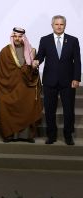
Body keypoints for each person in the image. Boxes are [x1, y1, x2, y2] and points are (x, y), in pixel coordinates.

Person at [34, 15, 80, 145]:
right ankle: (51, 136)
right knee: (49, 110)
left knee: (69, 110)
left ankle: (68, 135)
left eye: (61, 24)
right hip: (50, 81)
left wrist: (76, 78)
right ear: (52, 25)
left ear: (65, 25)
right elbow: (40, 56)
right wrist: (36, 61)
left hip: (68, 81)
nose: (59, 27)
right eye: (56, 24)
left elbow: (77, 61)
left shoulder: (73, 40)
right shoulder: (45, 40)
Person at [0, 28, 43, 143]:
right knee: (5, 104)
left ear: (23, 38)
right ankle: (10, 135)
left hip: (26, 87)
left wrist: (33, 68)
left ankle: (27, 136)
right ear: (12, 37)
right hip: (10, 87)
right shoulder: (5, 51)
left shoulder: (31, 51)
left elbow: (33, 71)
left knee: (28, 107)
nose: (17, 39)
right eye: (15, 36)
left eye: (20, 36)